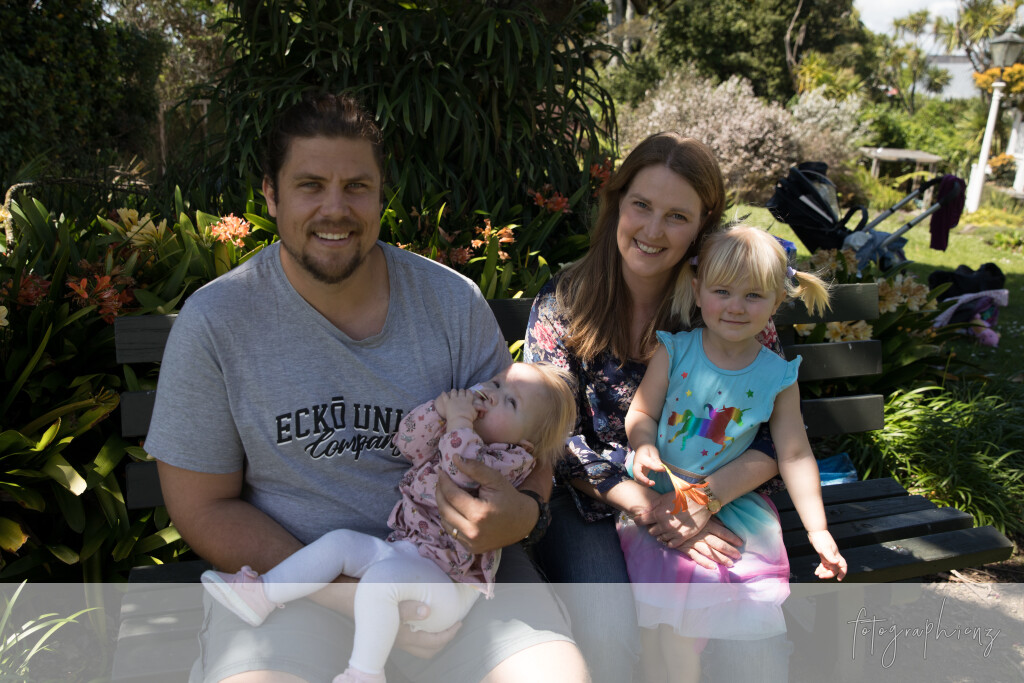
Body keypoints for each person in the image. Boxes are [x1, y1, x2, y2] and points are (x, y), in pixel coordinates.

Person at [144, 91, 587, 683]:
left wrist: (524, 514)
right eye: (310, 185)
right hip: (295, 589)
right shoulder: (219, 321)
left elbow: (529, 448)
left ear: (381, 195)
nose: (335, 208)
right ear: (271, 195)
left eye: (356, 186)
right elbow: (202, 506)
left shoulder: (450, 303)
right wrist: (349, 594)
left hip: (459, 580)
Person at [524, 132, 792, 682]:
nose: (652, 230)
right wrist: (656, 509)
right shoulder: (563, 303)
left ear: (702, 226)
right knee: (609, 634)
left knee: (751, 651)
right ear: (617, 202)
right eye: (641, 205)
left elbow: (775, 434)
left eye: (676, 216)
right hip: (593, 500)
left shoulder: (725, 302)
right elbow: (555, 438)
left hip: (715, 497)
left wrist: (702, 500)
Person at [200, 363, 577, 683]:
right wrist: (439, 411)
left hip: (448, 585)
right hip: (407, 554)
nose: (493, 395)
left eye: (511, 402)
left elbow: (460, 470)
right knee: (340, 543)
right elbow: (407, 441)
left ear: (526, 443)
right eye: (496, 383)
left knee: (381, 581)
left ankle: (364, 673)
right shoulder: (460, 432)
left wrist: (460, 420)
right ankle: (263, 593)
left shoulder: (509, 460)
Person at [621, 224, 848, 683]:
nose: (736, 307)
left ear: (776, 302)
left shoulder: (777, 376)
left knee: (684, 633)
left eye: (753, 296)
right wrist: (643, 444)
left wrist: (818, 529)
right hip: (661, 491)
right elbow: (641, 412)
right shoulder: (675, 350)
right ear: (697, 290)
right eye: (722, 291)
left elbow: (795, 454)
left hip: (726, 505)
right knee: (655, 633)